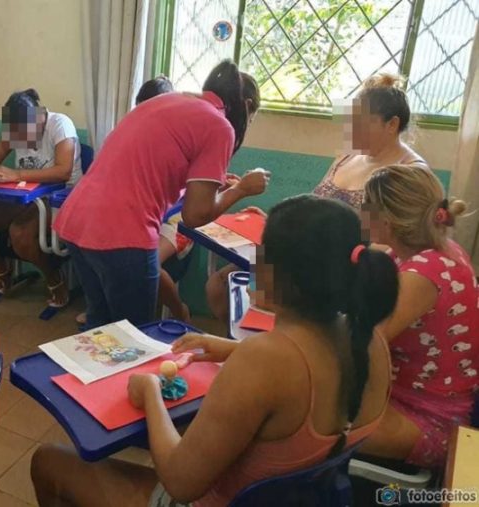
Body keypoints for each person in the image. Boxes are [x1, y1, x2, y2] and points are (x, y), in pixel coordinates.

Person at [32, 195, 399, 506]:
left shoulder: (266, 361)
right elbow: (301, 381)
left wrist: (149, 395)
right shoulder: (369, 339)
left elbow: (181, 483)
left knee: (49, 460)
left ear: (283, 274)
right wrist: (232, 349)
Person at [53, 60, 270, 328]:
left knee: (101, 330)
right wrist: (241, 189)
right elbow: (194, 216)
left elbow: (149, 167)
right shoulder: (220, 125)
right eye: (251, 118)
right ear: (246, 106)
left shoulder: (169, 101)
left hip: (76, 220)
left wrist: (215, 184)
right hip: (122, 234)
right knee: (134, 338)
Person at [206, 73, 429, 323]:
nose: (353, 130)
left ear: (392, 124)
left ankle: (269, 350)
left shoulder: (410, 172)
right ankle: (245, 349)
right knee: (219, 286)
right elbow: (314, 204)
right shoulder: (349, 156)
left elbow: (395, 244)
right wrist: (279, 222)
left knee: (261, 302)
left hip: (337, 269)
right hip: (304, 252)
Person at [358, 165, 478, 468]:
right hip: (401, 392)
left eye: (365, 204)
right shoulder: (425, 252)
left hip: (431, 416)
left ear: (386, 220)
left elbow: (361, 342)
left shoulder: (423, 273)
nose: (360, 211)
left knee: (300, 419)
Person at [0, 89, 81, 307]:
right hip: (24, 196)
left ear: (39, 117)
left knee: (20, 234)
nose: (20, 137)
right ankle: (3, 270)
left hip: (58, 197)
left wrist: (16, 174)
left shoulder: (60, 124)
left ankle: (55, 279)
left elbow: (64, 171)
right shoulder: (18, 126)